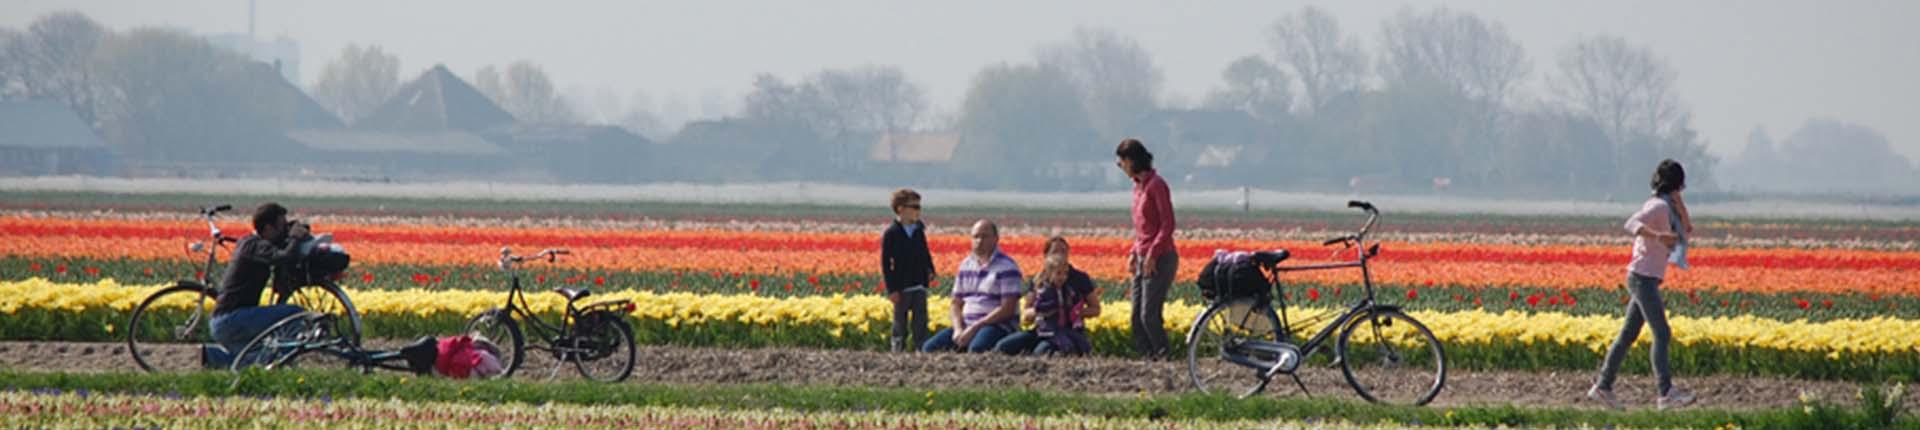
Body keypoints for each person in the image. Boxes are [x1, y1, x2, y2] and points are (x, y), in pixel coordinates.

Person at [1590, 159, 1697, 411]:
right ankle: (1665, 393)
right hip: (1642, 277)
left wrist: (1680, 205)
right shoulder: (1658, 207)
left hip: (1646, 276)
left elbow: (1687, 230)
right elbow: (1631, 224)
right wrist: (1658, 236)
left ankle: (1603, 386)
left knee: (1628, 334)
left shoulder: (1669, 207)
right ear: (1676, 184)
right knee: (1662, 332)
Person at [208, 202, 310, 364]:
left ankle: (210, 357)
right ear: (268, 229)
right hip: (231, 320)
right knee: (296, 314)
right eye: (282, 226)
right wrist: (295, 238)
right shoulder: (254, 246)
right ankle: (282, 362)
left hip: (226, 321)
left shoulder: (252, 243)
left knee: (252, 361)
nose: (285, 231)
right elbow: (283, 257)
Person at [1116, 139, 1178, 360]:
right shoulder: (1137, 187)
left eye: (1121, 161)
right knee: (1136, 317)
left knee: (1149, 315)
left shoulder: (1156, 185)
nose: (1120, 166)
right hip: (1142, 256)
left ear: (1132, 160)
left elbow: (1167, 224)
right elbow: (1142, 228)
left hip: (1160, 258)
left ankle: (1164, 358)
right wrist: (1134, 252)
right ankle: (1147, 358)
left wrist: (1152, 254)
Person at [921, 220, 1022, 353]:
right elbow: (956, 303)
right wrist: (958, 329)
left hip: (996, 325)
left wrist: (975, 327)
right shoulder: (966, 265)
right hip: (966, 326)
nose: (979, 241)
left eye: (984, 236)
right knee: (930, 348)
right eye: (976, 237)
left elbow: (1007, 309)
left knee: (977, 349)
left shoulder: (1007, 267)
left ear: (996, 239)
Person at [994, 236, 1101, 356]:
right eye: (1055, 252)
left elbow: (1096, 309)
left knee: (1041, 352)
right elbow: (1027, 314)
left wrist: (1074, 312)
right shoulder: (1038, 280)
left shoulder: (1079, 278)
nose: (1060, 255)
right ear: (1046, 256)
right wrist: (1041, 311)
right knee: (1003, 347)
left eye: (1063, 251)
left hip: (1067, 331)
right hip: (1042, 330)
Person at [881, 188, 936, 352]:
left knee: (921, 320)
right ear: (900, 209)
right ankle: (898, 350)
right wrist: (892, 289)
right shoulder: (892, 233)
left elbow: (925, 251)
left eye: (919, 207)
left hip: (919, 282)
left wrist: (930, 268)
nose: (918, 211)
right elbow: (885, 263)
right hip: (902, 285)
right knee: (900, 321)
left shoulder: (919, 230)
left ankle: (922, 349)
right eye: (914, 207)